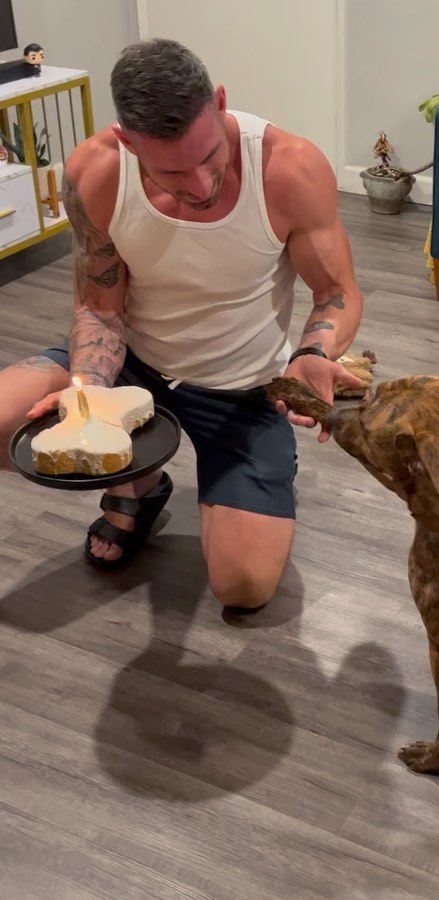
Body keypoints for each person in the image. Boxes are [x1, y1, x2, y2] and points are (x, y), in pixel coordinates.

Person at [0, 38, 365, 623]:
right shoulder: (96, 171)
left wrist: (313, 351)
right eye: (171, 171)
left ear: (219, 103)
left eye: (210, 157)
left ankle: (242, 474)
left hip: (242, 389)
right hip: (132, 366)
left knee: (243, 586)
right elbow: (99, 308)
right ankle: (139, 485)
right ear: (127, 141)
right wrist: (88, 394)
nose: (198, 184)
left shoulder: (289, 167)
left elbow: (336, 292)